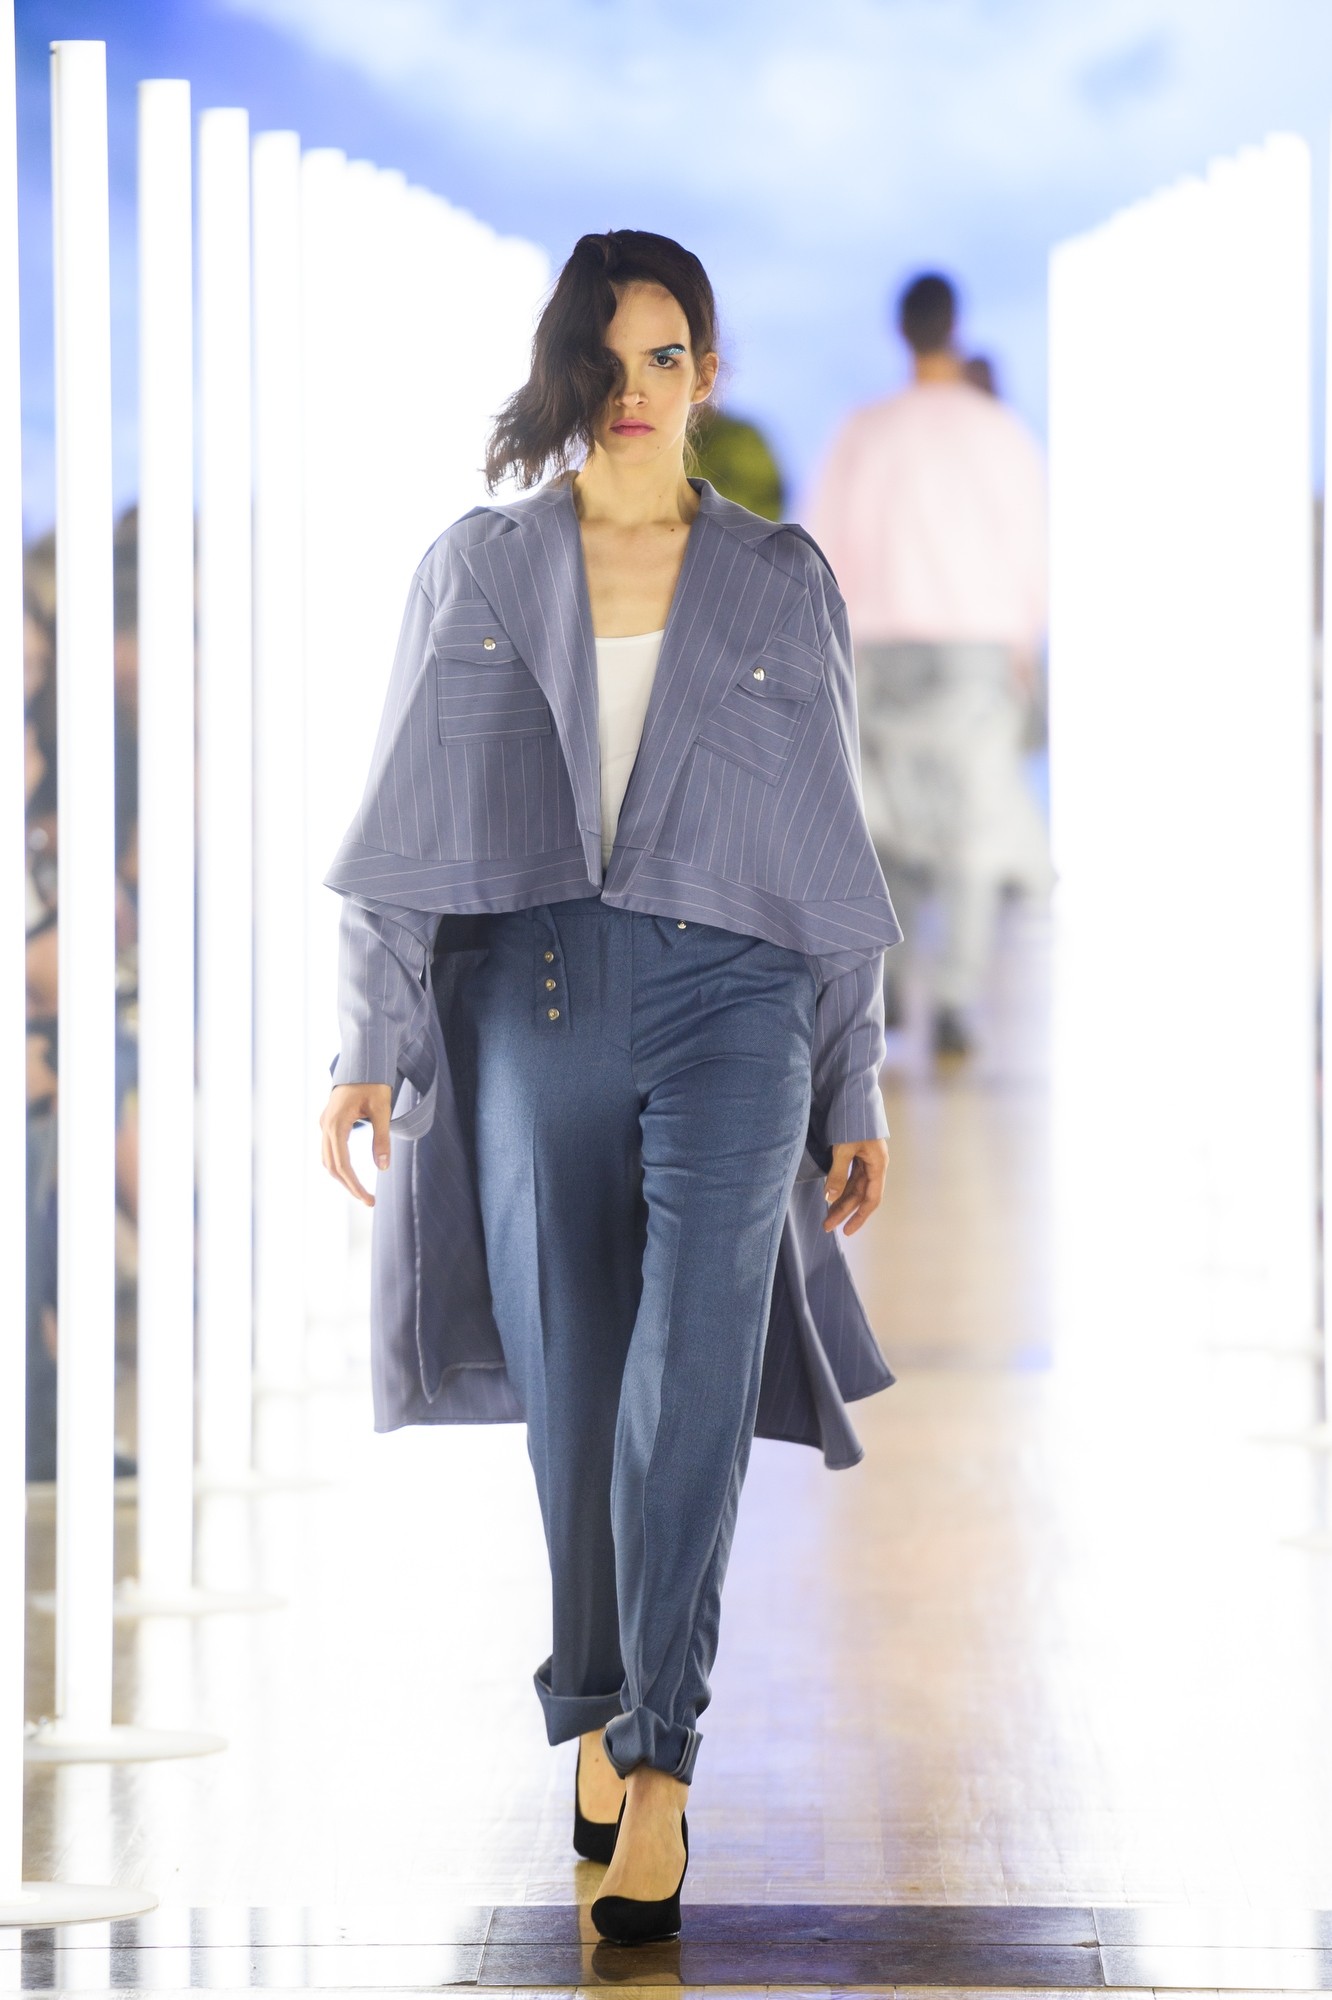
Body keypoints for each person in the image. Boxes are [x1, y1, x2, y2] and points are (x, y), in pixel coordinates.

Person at [318, 230, 901, 1945]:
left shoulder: (778, 580)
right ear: (566, 369)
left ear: (705, 373)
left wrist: (850, 1073)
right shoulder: (479, 569)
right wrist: (369, 1042)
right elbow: (403, 822)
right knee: (576, 1397)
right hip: (536, 1003)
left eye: (666, 357)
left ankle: (657, 1762)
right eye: (607, 356)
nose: (635, 390)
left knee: (692, 1370)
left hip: (736, 1004)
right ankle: (592, 1688)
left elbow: (829, 841)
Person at [808, 272, 1050, 1058]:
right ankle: (953, 999)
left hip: (877, 648)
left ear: (901, 331)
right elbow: (1030, 546)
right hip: (976, 649)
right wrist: (1024, 645)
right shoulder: (1000, 433)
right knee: (973, 828)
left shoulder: (863, 430)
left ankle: (886, 990)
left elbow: (823, 545)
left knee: (884, 827)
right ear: (955, 325)